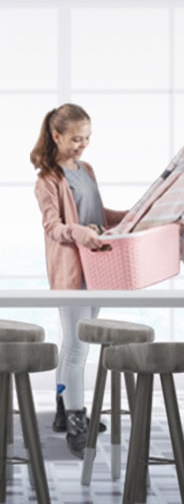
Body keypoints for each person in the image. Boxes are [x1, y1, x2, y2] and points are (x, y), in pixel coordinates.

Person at [31, 103, 126, 459]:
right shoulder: (48, 179)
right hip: (71, 271)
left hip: (97, 269)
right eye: (75, 138)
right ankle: (75, 419)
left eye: (87, 138)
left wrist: (132, 215)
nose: (82, 145)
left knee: (72, 342)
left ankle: (61, 409)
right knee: (77, 347)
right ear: (56, 136)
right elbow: (53, 227)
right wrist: (80, 233)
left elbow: (98, 215)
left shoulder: (86, 169)